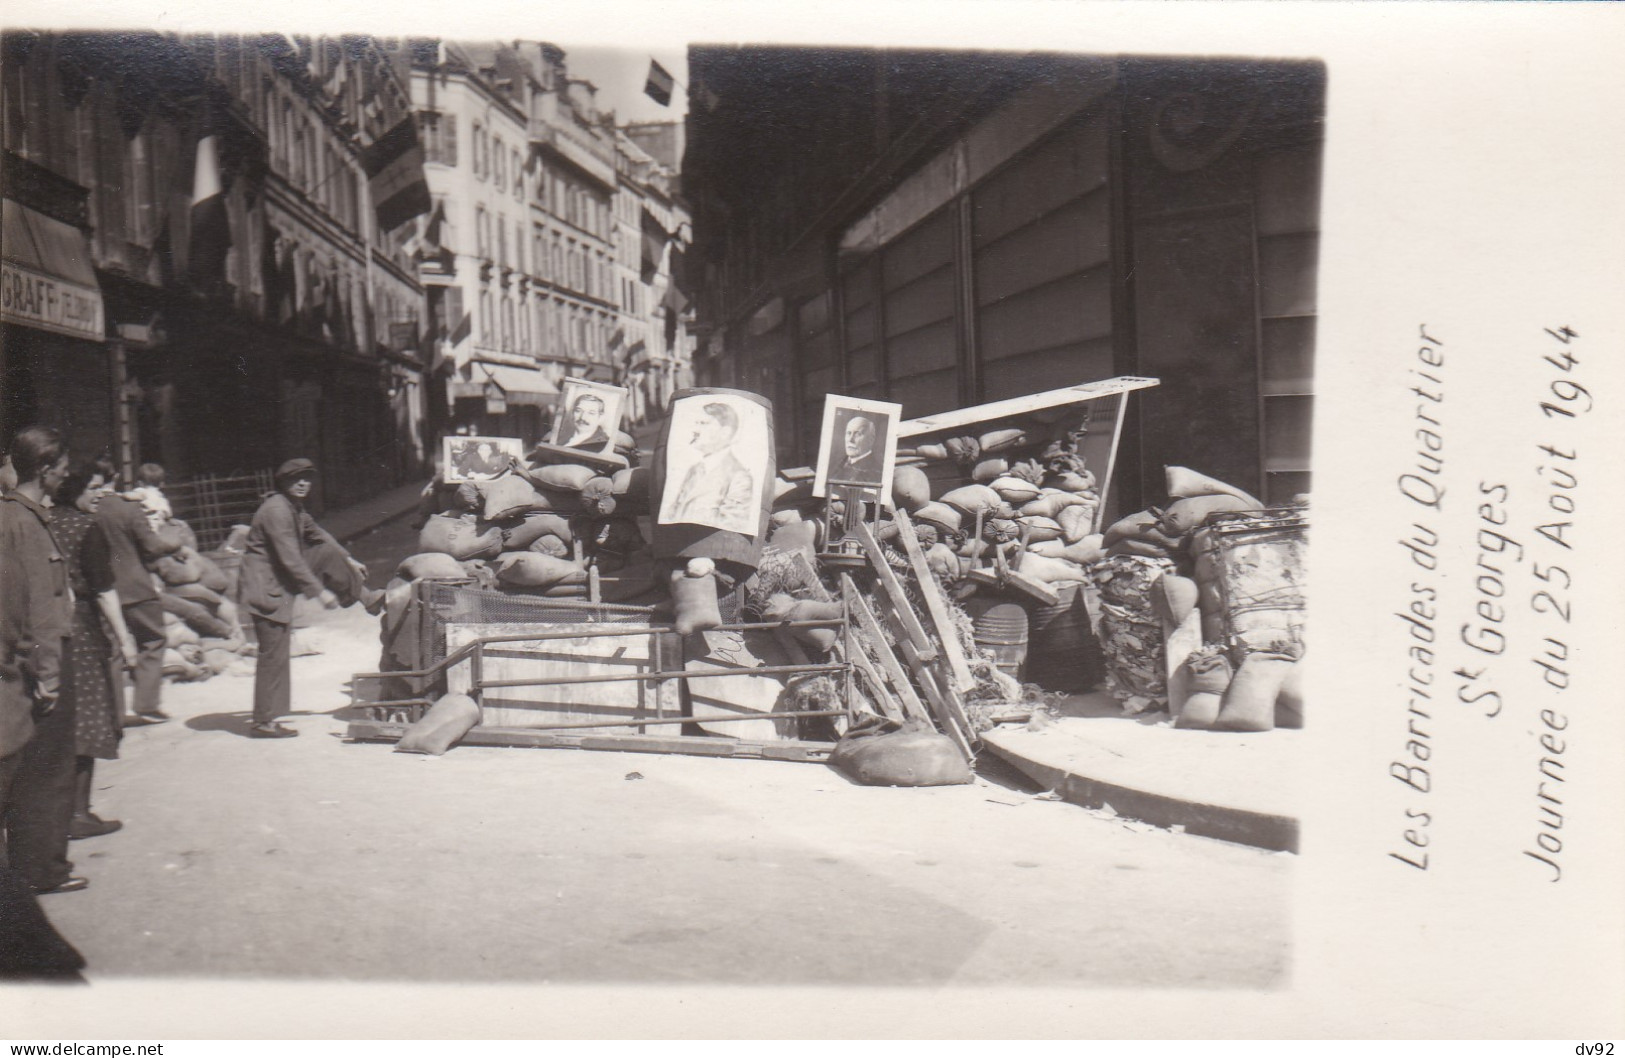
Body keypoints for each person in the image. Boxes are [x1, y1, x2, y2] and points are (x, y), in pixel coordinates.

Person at [239, 459, 383, 739]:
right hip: (264, 587)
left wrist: (349, 558)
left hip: (276, 584)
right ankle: (262, 721)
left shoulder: (294, 508)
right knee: (272, 655)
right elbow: (291, 559)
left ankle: (365, 597)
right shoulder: (277, 511)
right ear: (283, 483)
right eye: (296, 479)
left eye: (307, 478)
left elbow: (320, 536)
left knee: (328, 554)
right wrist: (320, 592)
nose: (304, 483)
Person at [0, 427, 83, 895]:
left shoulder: (17, 514)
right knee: (49, 772)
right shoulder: (25, 522)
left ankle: (30, 868)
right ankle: (44, 870)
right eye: (62, 467)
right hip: (44, 663)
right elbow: (39, 611)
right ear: (45, 470)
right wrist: (49, 678)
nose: (68, 473)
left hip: (26, 664)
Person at [51, 466, 138, 841]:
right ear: (75, 490)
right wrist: (126, 640)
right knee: (87, 720)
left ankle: (56, 813)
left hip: (47, 630)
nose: (101, 493)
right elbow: (104, 589)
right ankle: (78, 814)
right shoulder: (88, 528)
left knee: (57, 723)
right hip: (82, 631)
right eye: (94, 487)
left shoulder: (46, 520)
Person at [91, 454, 182, 725]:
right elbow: (152, 546)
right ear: (116, 477)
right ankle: (146, 703)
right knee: (153, 641)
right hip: (137, 587)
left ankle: (114, 713)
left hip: (102, 590)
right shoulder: (128, 508)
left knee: (112, 651)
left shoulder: (87, 510)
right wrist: (173, 543)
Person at [662, 402, 755, 533]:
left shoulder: (739, 477)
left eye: (703, 423)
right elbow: (672, 515)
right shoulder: (695, 470)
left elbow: (732, 528)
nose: (695, 430)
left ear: (725, 432)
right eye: (696, 423)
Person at [831, 414, 884, 486]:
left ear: (871, 439)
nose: (850, 440)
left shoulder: (878, 472)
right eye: (848, 433)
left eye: (858, 434)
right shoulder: (836, 464)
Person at [126, 462, 172, 531]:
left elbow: (129, 496)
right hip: (161, 527)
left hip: (147, 527)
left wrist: (118, 495)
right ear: (161, 484)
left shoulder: (142, 491)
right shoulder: (160, 497)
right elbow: (168, 513)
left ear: (140, 483)